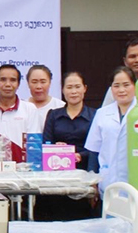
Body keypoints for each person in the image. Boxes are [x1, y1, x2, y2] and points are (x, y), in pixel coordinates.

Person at [85, 66, 138, 194]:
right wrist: (92, 182)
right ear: (111, 89)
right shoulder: (102, 113)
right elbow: (94, 150)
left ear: (135, 86)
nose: (121, 90)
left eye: (126, 85)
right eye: (116, 86)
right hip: (109, 182)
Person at [38, 71, 97, 220]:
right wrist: (55, 149)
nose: (73, 91)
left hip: (83, 176)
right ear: (63, 90)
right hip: (56, 178)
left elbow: (97, 148)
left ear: (85, 88)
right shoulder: (53, 115)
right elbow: (46, 144)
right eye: (69, 87)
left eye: (77, 87)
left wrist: (79, 155)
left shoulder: (95, 116)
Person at [0, 64, 40, 162]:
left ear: (18, 84)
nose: (8, 84)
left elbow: (34, 145)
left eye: (13, 80)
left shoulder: (29, 109)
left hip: (21, 168)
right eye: (3, 80)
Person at [26, 65, 65, 130]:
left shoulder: (61, 107)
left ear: (49, 82)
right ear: (28, 83)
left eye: (43, 82)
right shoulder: (22, 106)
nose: (38, 86)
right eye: (34, 82)